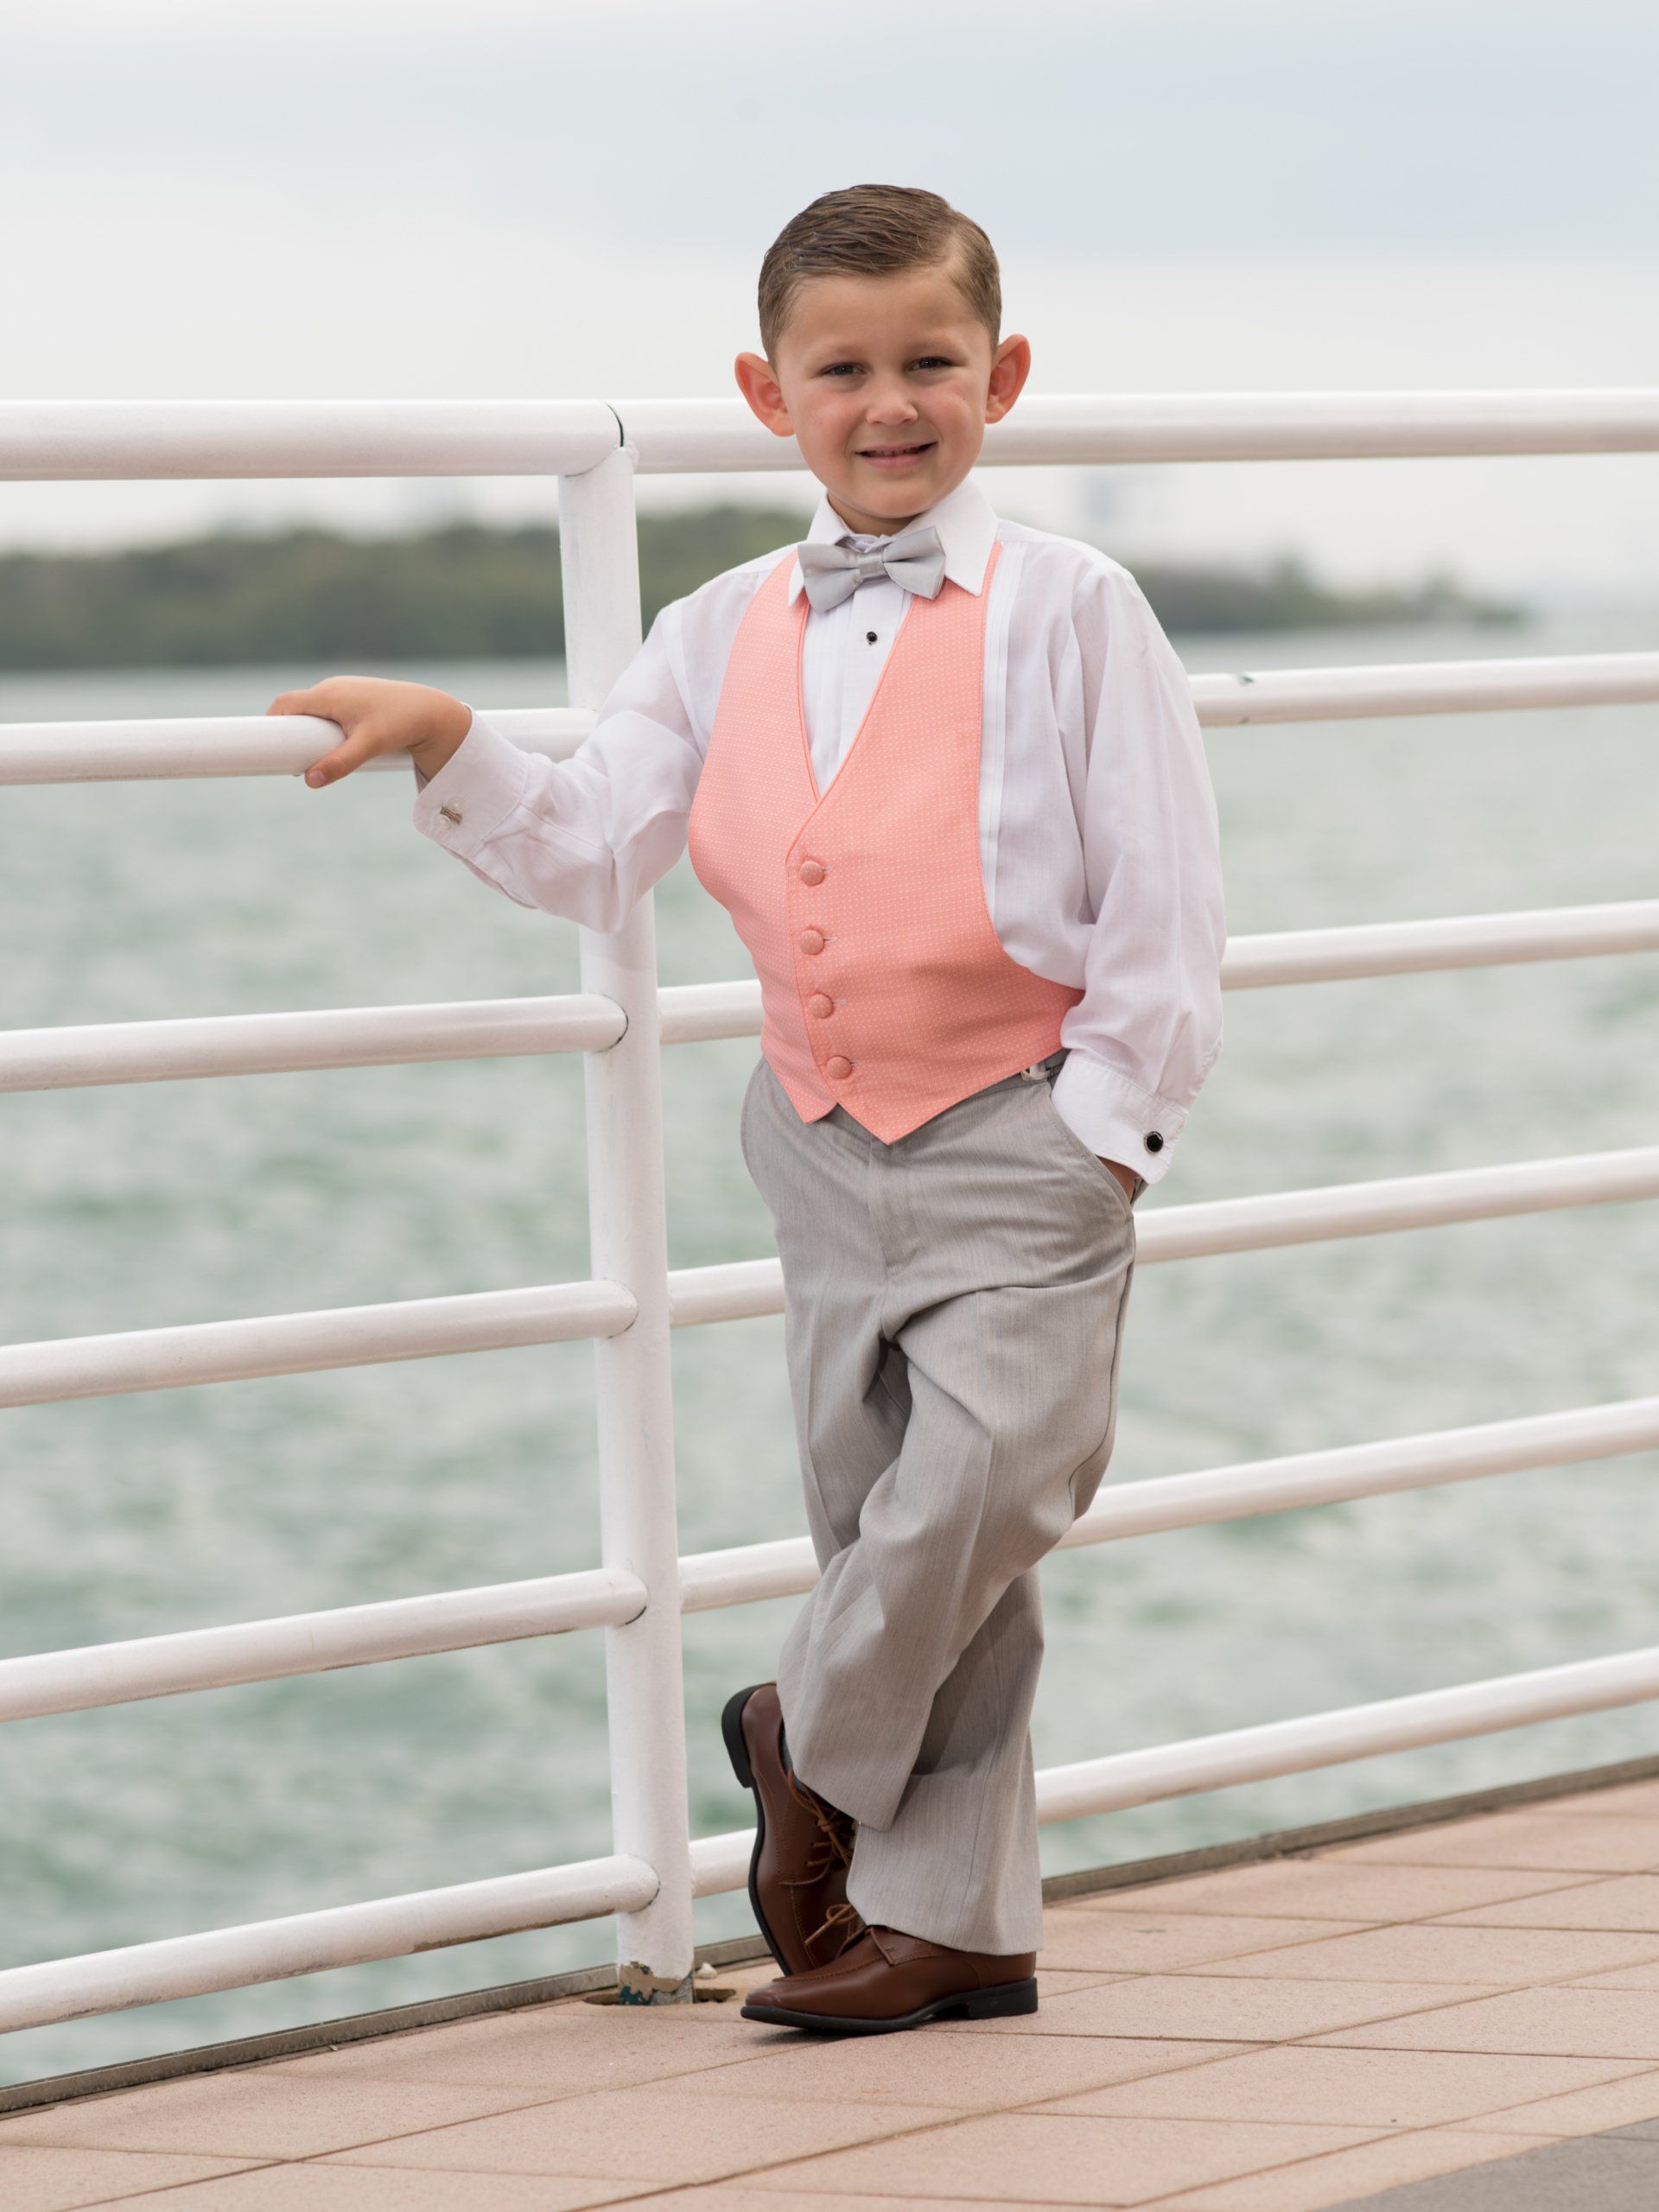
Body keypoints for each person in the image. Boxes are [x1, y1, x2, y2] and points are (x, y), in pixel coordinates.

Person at [268, 181, 1227, 2038]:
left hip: (1025, 1122)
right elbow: (591, 849)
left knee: (988, 1490)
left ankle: (805, 1743)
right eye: (844, 367)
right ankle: (955, 1924)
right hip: (815, 1131)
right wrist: (456, 742)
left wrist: (1107, 1125)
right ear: (767, 388)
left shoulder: (1077, 607)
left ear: (1002, 376)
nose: (891, 402)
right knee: (898, 1532)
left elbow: (1164, 905)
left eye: (932, 361)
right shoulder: (716, 628)